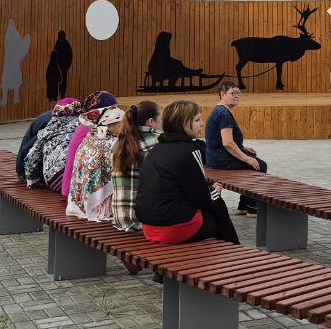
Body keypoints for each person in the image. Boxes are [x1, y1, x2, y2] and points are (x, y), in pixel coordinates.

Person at [137, 100, 239, 244]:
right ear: (182, 124)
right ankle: (234, 251)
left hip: (149, 228)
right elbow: (201, 198)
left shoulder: (156, 149)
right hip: (173, 230)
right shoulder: (190, 150)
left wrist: (209, 192)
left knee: (211, 205)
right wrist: (213, 192)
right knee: (217, 207)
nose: (202, 124)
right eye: (197, 120)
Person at [204, 81, 267, 216]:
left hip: (215, 157)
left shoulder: (220, 110)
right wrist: (246, 158)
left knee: (254, 161)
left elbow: (223, 139)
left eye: (238, 93)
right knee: (259, 165)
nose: (237, 96)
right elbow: (227, 143)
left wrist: (243, 148)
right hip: (220, 159)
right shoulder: (224, 113)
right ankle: (251, 207)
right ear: (222, 94)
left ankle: (243, 206)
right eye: (233, 93)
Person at [110, 101, 164, 232]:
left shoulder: (119, 142)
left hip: (121, 218)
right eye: (161, 118)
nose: (163, 121)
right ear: (151, 121)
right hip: (143, 222)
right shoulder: (156, 143)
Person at [66, 104, 125, 221]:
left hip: (81, 199)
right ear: (112, 125)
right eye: (123, 123)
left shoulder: (90, 137)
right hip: (100, 205)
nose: (126, 127)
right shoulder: (112, 143)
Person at [62, 91, 117, 198]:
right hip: (77, 191)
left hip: (70, 186)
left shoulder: (87, 124)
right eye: (114, 109)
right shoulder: (96, 129)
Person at [23, 97, 83, 189]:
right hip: (76, 177)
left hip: (53, 180)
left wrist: (33, 180)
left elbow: (31, 158)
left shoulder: (46, 131)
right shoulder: (81, 127)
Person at [16, 105, 55, 180]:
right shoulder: (54, 125)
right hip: (30, 172)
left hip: (24, 166)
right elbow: (27, 151)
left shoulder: (47, 116)